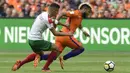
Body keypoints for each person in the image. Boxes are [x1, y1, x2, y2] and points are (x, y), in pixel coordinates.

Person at [12, 3, 92, 72]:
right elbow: (58, 22)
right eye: (89, 11)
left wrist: (83, 31)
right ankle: (55, 62)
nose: (89, 13)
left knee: (51, 55)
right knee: (80, 48)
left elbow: (75, 23)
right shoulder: (76, 13)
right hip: (63, 36)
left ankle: (22, 63)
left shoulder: (43, 14)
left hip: (35, 39)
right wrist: (68, 33)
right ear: (84, 8)